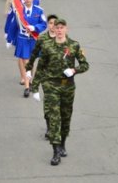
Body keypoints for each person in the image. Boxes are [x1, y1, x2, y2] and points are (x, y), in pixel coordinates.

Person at [30, 18, 89, 166]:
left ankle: (62, 143)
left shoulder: (74, 45)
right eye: (57, 28)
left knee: (65, 117)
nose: (60, 30)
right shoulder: (48, 46)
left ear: (66, 29)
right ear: (54, 30)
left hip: (67, 86)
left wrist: (74, 70)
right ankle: (55, 151)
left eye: (62, 28)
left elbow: (85, 65)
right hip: (51, 85)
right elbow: (41, 67)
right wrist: (35, 87)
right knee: (54, 117)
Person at [5, 0, 47, 97]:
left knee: (31, 62)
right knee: (25, 61)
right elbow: (14, 25)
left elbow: (44, 24)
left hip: (33, 39)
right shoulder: (19, 11)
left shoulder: (39, 11)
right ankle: (27, 87)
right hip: (22, 39)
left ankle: (30, 80)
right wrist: (9, 39)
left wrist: (35, 27)